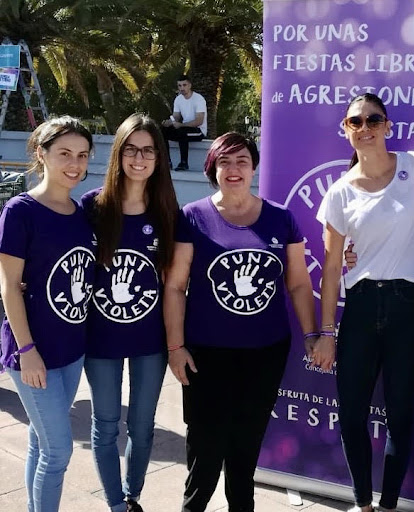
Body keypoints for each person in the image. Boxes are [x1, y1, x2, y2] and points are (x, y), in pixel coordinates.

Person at [163, 132, 317, 512]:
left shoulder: (282, 218)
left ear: (254, 168)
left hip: (265, 353)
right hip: (206, 354)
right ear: (212, 168)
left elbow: (299, 284)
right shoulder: (192, 216)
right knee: (205, 449)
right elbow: (175, 286)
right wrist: (175, 347)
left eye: (242, 161)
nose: (233, 169)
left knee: (246, 449)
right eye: (225, 161)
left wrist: (312, 334)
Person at [314, 93, 414, 512]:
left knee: (400, 416)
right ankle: (363, 503)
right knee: (352, 414)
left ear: (388, 126)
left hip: (410, 308)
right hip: (362, 308)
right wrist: (327, 332)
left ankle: (388, 506)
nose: (365, 127)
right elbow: (331, 268)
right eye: (356, 121)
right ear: (345, 130)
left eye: (373, 119)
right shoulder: (339, 192)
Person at [81, 114, 178, 512]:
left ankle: (132, 495)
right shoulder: (92, 207)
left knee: (142, 425)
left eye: (148, 150)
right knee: (105, 426)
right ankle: (115, 504)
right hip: (100, 339)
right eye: (131, 149)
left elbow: (177, 278)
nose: (139, 159)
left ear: (158, 157)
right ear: (118, 154)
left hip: (149, 340)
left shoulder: (167, 211)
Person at [0, 116, 96, 512]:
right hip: (32, 351)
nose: (75, 164)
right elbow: (9, 286)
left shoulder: (82, 212)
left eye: (82, 155)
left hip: (71, 348)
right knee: (58, 450)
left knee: (41, 443)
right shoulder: (20, 211)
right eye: (65, 154)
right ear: (42, 154)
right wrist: (27, 350)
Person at [161, 74, 207, 171]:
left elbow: (199, 121)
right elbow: (176, 116)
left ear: (190, 85)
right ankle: (167, 162)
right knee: (163, 131)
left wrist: (181, 125)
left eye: (184, 85)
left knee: (182, 132)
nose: (182, 88)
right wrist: (169, 122)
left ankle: (184, 163)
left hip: (198, 131)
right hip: (184, 129)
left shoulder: (199, 99)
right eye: (179, 85)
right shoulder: (178, 99)